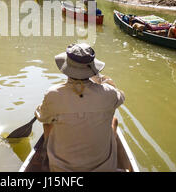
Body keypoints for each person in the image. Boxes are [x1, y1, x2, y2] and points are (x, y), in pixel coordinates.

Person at [35, 43, 125, 172]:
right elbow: (120, 96)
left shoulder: (53, 94)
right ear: (92, 68)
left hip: (62, 169)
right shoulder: (109, 93)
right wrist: (103, 80)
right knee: (114, 120)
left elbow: (42, 116)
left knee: (48, 123)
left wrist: (39, 110)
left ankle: (46, 158)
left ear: (67, 67)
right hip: (104, 169)